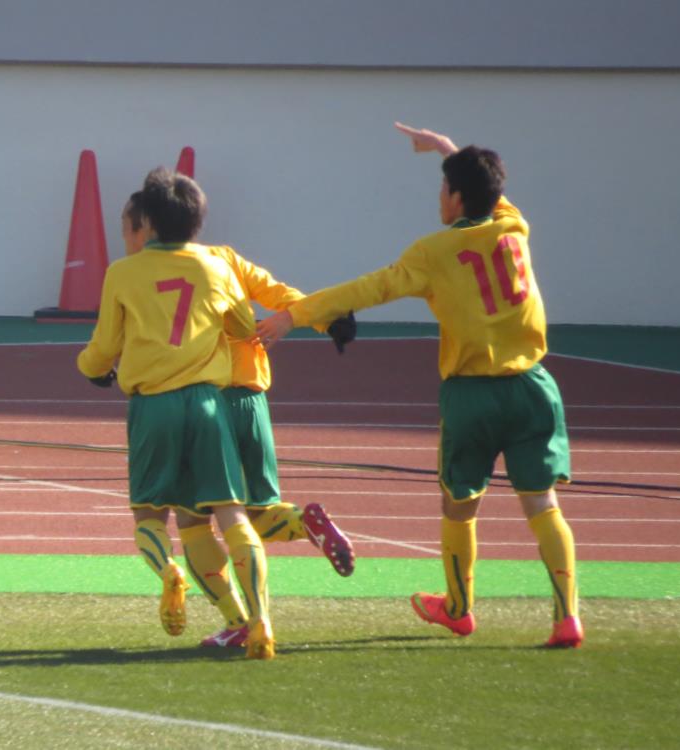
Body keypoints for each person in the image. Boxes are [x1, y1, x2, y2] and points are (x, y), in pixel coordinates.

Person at [257, 123, 582, 648]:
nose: (439, 196)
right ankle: (567, 617)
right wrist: (446, 149)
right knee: (542, 504)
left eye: (443, 187)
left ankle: (458, 608)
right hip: (533, 387)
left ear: (456, 196)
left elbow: (368, 288)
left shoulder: (434, 252)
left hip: (473, 394)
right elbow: (489, 190)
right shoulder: (513, 225)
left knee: (459, 504)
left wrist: (294, 315)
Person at [119, 193, 357, 649]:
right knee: (258, 513)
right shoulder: (225, 259)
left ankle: (238, 620)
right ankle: (303, 523)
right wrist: (324, 319)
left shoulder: (146, 272)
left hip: (205, 400)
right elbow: (278, 294)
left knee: (193, 522)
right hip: (251, 398)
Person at [77, 168, 275, 659]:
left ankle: (169, 570)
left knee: (149, 512)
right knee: (231, 511)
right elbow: (243, 326)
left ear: (147, 222)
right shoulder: (215, 266)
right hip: (208, 403)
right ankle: (261, 621)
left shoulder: (123, 273)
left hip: (153, 404)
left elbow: (104, 347)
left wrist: (90, 368)